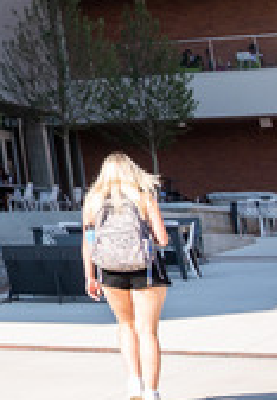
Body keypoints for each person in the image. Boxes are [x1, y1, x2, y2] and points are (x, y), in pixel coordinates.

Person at [82, 153, 172, 400]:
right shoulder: (144, 198)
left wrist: (90, 276)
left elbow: (88, 242)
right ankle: (152, 391)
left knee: (126, 325)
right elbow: (162, 239)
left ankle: (134, 381)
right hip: (146, 269)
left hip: (110, 270)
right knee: (148, 331)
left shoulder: (93, 201)